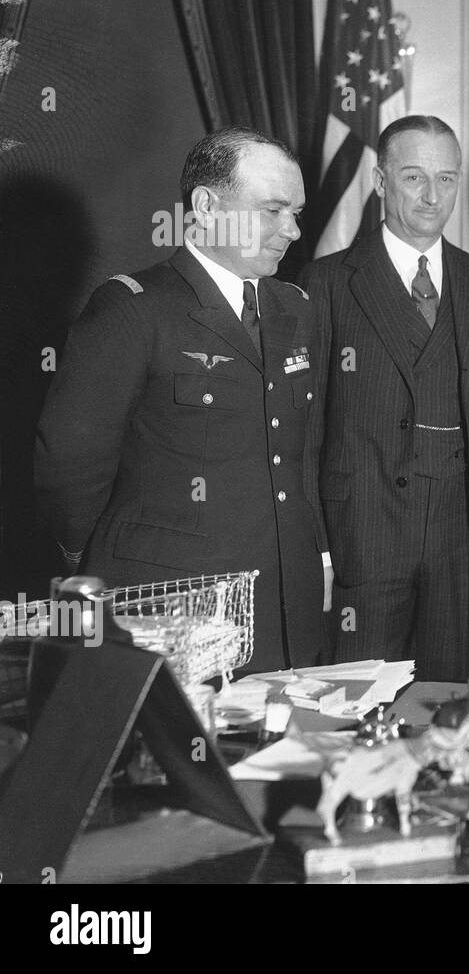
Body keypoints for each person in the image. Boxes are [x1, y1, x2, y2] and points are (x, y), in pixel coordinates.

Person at [35, 126, 326, 671]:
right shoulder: (134, 309)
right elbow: (69, 462)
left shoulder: (295, 308)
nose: (291, 230)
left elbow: (298, 455)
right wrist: (88, 559)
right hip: (172, 605)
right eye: (273, 210)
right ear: (207, 205)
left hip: (285, 603)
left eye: (296, 212)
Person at [298, 115, 469, 681]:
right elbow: (305, 429)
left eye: (446, 178)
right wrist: (320, 548)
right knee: (355, 703)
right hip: (362, 538)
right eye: (414, 177)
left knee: (449, 707)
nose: (432, 195)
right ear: (379, 181)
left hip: (461, 542)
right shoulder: (325, 284)